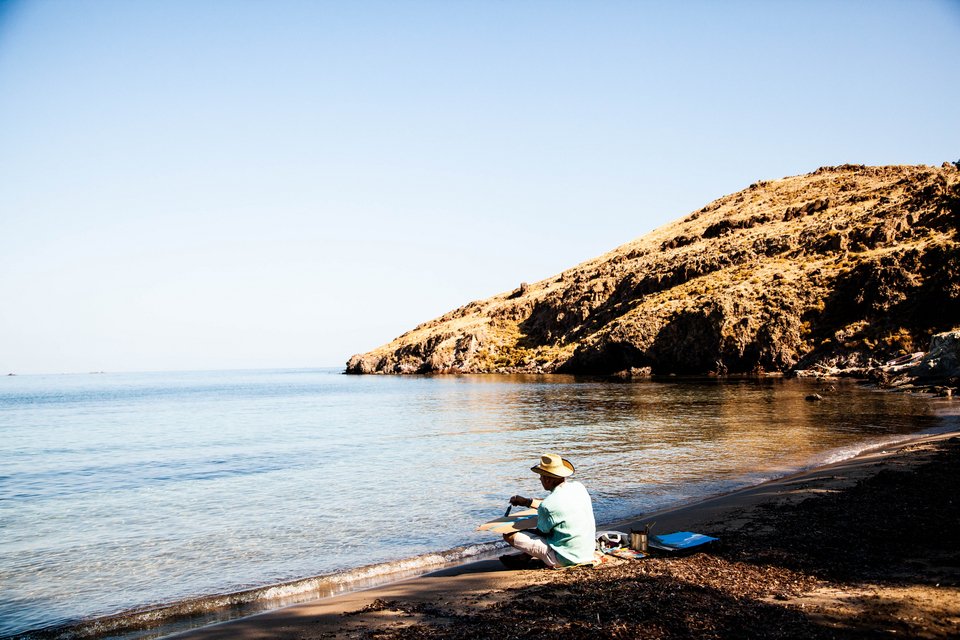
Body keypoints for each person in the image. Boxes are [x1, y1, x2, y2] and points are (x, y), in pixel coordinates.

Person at [501, 453, 596, 569]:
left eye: (541, 476)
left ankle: (526, 559)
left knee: (508, 535)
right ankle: (522, 559)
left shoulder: (548, 505)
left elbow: (541, 533)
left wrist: (518, 527)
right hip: (586, 552)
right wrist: (527, 502)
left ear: (547, 479)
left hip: (565, 558)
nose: (540, 478)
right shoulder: (579, 487)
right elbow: (556, 505)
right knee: (553, 527)